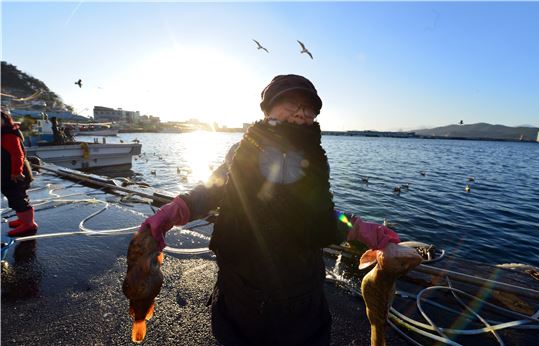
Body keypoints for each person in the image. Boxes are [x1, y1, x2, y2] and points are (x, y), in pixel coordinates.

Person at [139, 74, 400, 345]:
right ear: (267, 109)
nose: (301, 113)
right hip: (240, 288)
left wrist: (359, 229)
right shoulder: (241, 151)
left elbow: (318, 218)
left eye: (308, 107)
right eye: (290, 103)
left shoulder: (314, 159)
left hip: (301, 295)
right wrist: (176, 209)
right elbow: (214, 189)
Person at [1, 109, 38, 237]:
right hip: (7, 173)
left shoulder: (8, 135)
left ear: (5, 121)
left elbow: (18, 155)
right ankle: (23, 219)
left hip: (16, 174)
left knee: (18, 197)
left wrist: (16, 172)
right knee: (13, 196)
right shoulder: (3, 134)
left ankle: (29, 224)